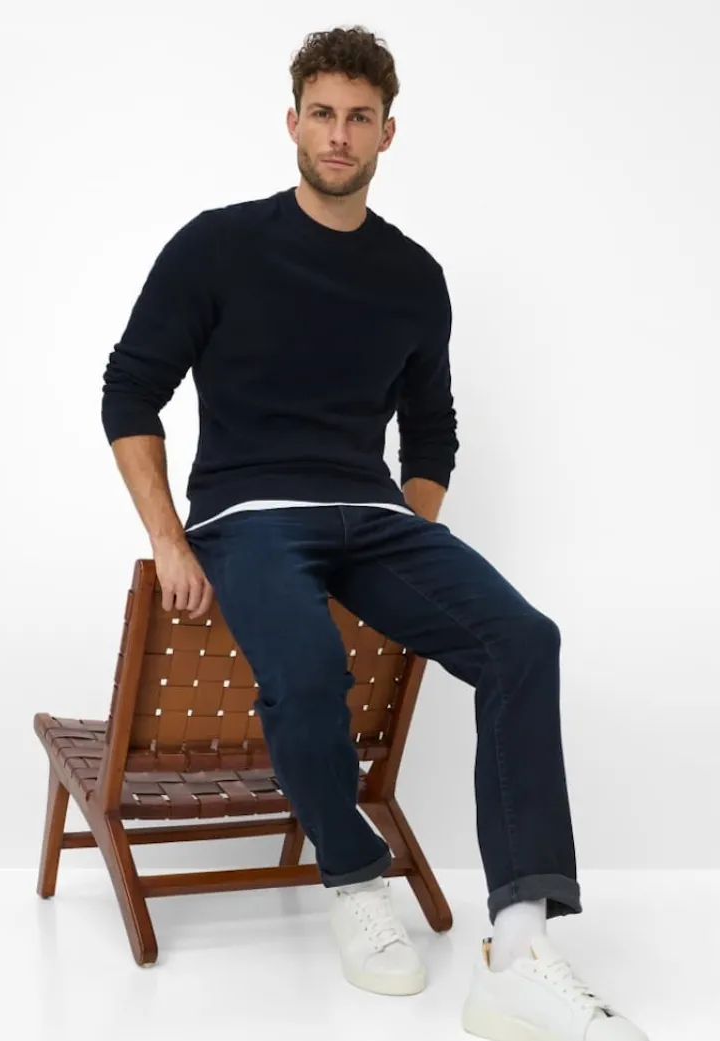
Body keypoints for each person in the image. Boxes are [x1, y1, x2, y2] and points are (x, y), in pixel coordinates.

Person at [101, 24, 648, 1041]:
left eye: (359, 118)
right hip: (249, 515)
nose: (339, 135)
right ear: (292, 122)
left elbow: (431, 431)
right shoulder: (217, 245)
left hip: (375, 518)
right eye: (322, 113)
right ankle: (354, 877)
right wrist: (172, 539)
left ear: (388, 132)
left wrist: (413, 540)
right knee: (310, 668)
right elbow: (130, 390)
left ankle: (519, 949)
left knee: (524, 640)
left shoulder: (412, 275)